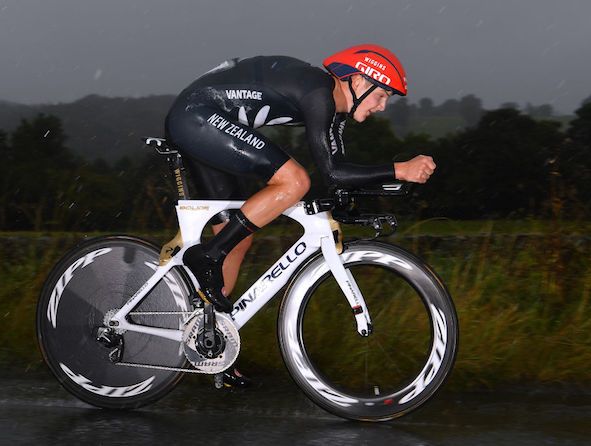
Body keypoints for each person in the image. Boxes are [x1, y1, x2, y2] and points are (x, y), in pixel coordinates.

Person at [165, 45, 435, 384]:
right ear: (359, 81)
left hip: (204, 117)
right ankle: (206, 258)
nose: (382, 107)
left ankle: (209, 342)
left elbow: (337, 175)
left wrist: (361, 194)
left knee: (235, 240)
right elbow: (332, 174)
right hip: (197, 115)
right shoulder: (319, 95)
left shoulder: (332, 113)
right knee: (294, 180)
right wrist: (399, 170)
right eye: (381, 95)